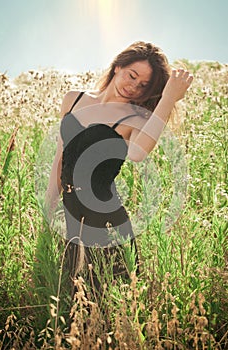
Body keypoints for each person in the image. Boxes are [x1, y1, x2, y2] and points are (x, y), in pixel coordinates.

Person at [45, 41, 193, 294]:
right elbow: (60, 158)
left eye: (143, 85)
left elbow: (137, 153)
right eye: (131, 76)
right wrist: (47, 211)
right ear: (117, 67)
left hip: (106, 222)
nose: (133, 87)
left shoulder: (134, 118)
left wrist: (168, 98)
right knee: (70, 300)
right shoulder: (74, 99)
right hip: (70, 216)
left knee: (107, 302)